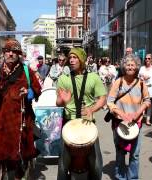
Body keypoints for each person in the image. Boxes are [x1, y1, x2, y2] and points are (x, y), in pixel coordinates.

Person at [0, 38, 42, 179]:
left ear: (19, 54)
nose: (11, 54)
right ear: (3, 53)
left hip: (21, 126)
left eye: (14, 51)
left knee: (19, 166)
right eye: (8, 51)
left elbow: (37, 90)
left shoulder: (26, 71)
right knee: (0, 164)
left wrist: (29, 93)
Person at [56, 47, 106, 180]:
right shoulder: (63, 79)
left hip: (88, 123)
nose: (71, 60)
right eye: (70, 58)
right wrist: (63, 101)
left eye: (75, 57)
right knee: (62, 165)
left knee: (97, 165)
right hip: (69, 124)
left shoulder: (93, 77)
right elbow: (58, 102)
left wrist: (92, 110)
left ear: (82, 60)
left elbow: (102, 99)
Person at [107, 55, 150, 180]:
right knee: (120, 153)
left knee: (135, 154)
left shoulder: (141, 84)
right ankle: (120, 176)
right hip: (119, 123)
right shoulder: (118, 82)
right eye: (128, 64)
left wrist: (137, 114)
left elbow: (147, 101)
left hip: (136, 123)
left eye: (133, 65)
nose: (130, 67)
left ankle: (132, 178)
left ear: (136, 67)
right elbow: (110, 102)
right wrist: (122, 114)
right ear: (124, 67)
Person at [138, 53, 152, 125]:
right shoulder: (142, 68)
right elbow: (139, 76)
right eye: (146, 58)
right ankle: (140, 118)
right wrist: (142, 77)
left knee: (150, 104)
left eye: (149, 58)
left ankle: (148, 119)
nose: (147, 60)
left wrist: (145, 76)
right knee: (142, 103)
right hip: (143, 87)